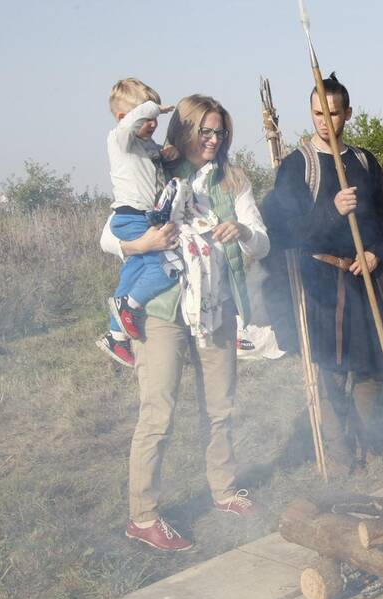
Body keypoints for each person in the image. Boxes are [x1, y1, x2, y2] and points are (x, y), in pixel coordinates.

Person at [100, 94, 271, 550]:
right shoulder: (157, 167)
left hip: (215, 305)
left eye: (221, 133)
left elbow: (263, 242)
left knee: (221, 406)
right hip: (161, 309)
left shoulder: (232, 181)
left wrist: (245, 233)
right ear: (187, 129)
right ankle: (143, 516)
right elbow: (108, 236)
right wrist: (144, 244)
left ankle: (224, 489)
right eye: (206, 131)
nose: (214, 140)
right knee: (158, 413)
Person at [263, 73, 383, 468]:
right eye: (317, 113)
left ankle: (367, 439)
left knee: (372, 364)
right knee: (330, 370)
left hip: (366, 279)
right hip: (321, 282)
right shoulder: (297, 166)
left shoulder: (363, 161)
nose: (325, 121)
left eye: (334, 113)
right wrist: (330, 210)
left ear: (348, 113)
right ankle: (339, 450)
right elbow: (284, 230)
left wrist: (377, 251)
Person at [96, 78, 183, 368]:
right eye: (147, 119)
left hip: (143, 215)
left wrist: (165, 154)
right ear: (125, 118)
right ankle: (129, 306)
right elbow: (130, 124)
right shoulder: (119, 139)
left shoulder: (145, 145)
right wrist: (153, 107)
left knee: (133, 272)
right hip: (130, 215)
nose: (153, 123)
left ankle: (115, 334)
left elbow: (155, 163)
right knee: (163, 269)